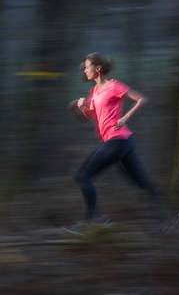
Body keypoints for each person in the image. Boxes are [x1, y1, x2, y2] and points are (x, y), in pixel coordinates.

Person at [66, 52, 169, 231]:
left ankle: (94, 220)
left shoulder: (113, 86)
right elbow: (89, 117)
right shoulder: (93, 92)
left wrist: (127, 116)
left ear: (97, 69)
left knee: (82, 176)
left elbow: (142, 99)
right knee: (142, 182)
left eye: (86, 67)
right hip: (122, 143)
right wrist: (79, 107)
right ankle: (167, 219)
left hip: (117, 140)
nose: (84, 70)